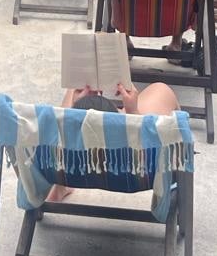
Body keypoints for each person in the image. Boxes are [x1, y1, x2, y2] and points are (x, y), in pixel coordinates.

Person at [49, 81, 181, 202]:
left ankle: (60, 186)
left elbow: (61, 129)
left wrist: (73, 110)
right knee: (161, 89)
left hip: (74, 169)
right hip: (130, 171)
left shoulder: (48, 143)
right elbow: (156, 148)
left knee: (74, 87)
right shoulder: (144, 161)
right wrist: (132, 112)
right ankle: (121, 121)